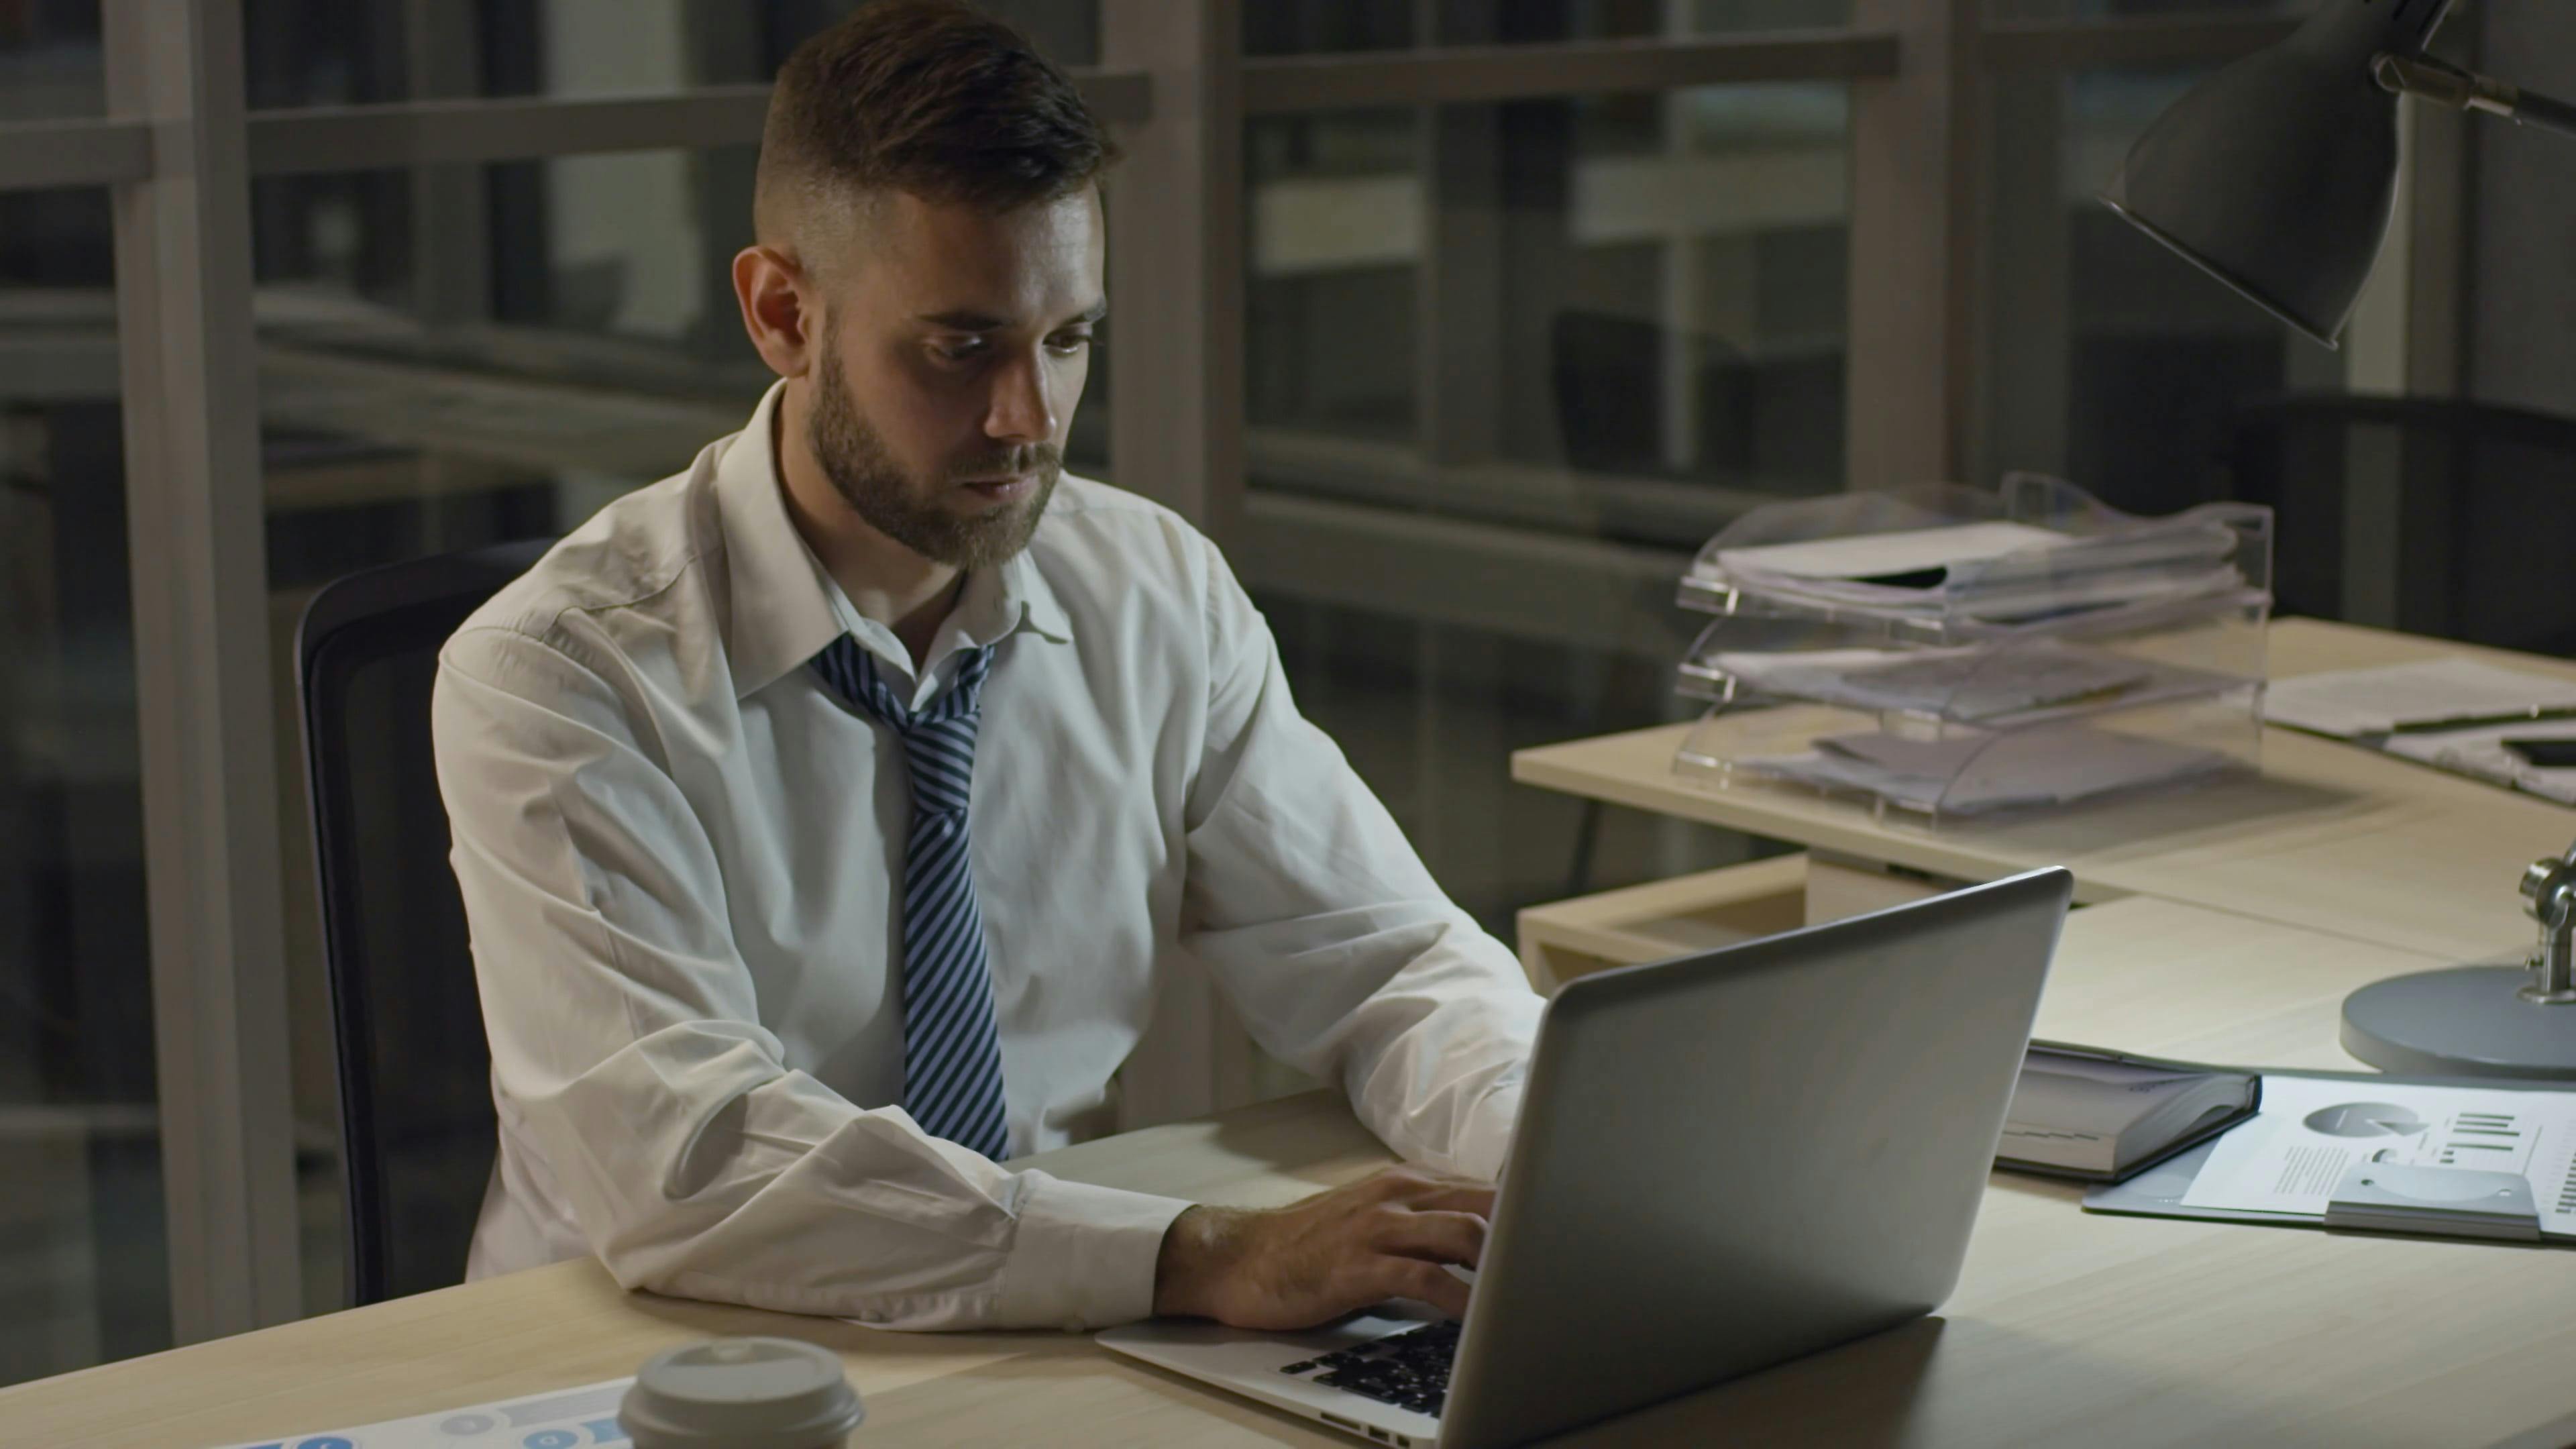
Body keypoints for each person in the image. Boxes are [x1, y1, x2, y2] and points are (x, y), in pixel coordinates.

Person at [431, 0, 1542, 1335]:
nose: (1030, 419)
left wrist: (1555, 1161)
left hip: (1053, 1322)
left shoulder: (1152, 593)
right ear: (784, 313)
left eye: (1067, 339)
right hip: (659, 1353)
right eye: (962, 348)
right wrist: (1199, 1257)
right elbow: (691, 1160)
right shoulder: (558, 679)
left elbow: (1390, 965)